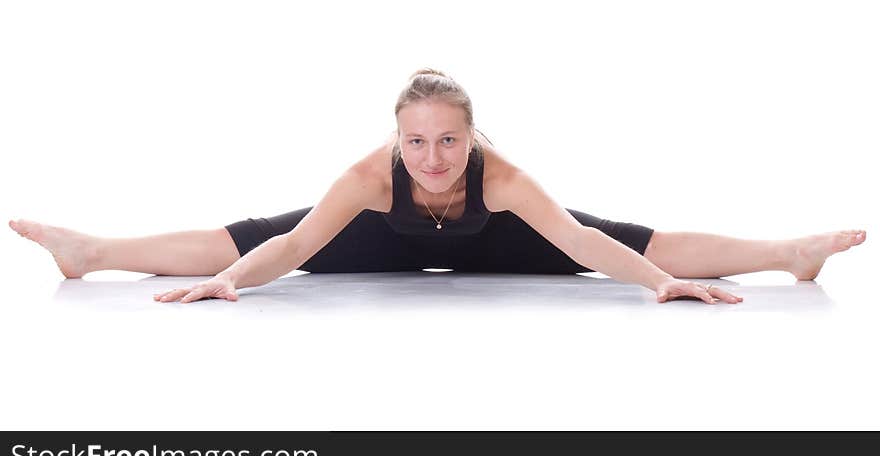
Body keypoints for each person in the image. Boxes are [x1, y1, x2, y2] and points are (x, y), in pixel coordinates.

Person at [8, 68, 866, 305]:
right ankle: (93, 252)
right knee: (247, 230)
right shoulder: (369, 176)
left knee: (637, 235)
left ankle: (785, 254)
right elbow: (298, 243)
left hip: (498, 239)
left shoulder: (505, 177)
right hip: (380, 239)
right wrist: (228, 281)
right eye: (416, 140)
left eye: (448, 140)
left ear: (471, 137)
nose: (432, 156)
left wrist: (661, 283)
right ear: (397, 138)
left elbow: (582, 242)